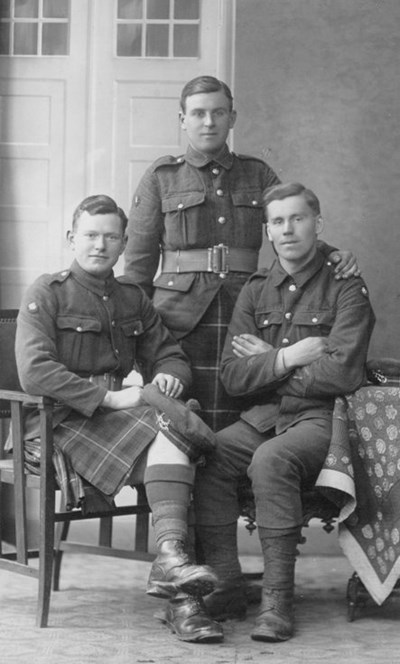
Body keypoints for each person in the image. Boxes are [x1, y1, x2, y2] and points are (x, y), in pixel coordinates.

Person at [15, 194, 224, 644]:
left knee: (172, 419)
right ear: (72, 239)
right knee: (179, 432)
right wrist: (108, 400)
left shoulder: (132, 297)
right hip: (60, 423)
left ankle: (171, 561)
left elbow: (170, 354)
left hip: (117, 421)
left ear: (125, 243)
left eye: (111, 237)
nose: (100, 245)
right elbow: (35, 372)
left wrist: (168, 377)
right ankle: (184, 597)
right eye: (90, 235)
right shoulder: (46, 293)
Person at [124, 75, 359, 432]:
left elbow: (288, 224)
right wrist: (137, 335)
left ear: (232, 118)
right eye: (198, 113)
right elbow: (138, 269)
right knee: (174, 425)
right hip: (176, 322)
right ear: (182, 120)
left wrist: (330, 255)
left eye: (218, 112)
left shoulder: (258, 173)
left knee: (242, 419)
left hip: (244, 312)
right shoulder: (162, 177)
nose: (208, 122)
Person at [193, 182, 375, 642]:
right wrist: (288, 358)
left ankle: (277, 601)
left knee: (272, 460)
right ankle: (228, 586)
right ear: (268, 231)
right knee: (211, 454)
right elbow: (233, 376)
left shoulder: (346, 285)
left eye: (297, 218)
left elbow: (342, 374)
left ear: (318, 223)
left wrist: (267, 361)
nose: (288, 229)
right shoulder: (256, 291)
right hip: (264, 417)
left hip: (321, 418)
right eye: (278, 221)